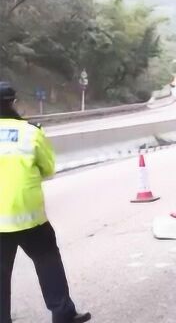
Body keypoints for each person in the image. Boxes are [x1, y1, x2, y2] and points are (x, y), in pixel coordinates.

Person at [0, 82, 91, 323]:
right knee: (48, 260)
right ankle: (62, 314)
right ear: (14, 103)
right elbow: (48, 168)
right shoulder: (30, 132)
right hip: (28, 216)